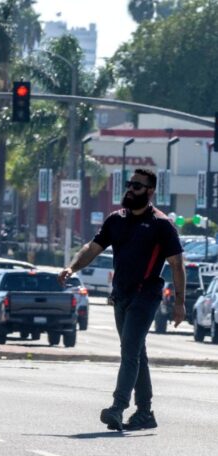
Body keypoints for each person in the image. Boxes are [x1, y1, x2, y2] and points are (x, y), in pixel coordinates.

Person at [58, 168, 185, 432]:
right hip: (121, 295)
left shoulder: (161, 225)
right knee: (137, 352)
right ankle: (145, 412)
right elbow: (93, 248)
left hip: (146, 295)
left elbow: (177, 264)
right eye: (129, 184)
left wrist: (179, 303)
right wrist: (72, 268)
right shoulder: (116, 220)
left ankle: (117, 407)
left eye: (137, 186)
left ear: (150, 191)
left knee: (129, 352)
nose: (130, 190)